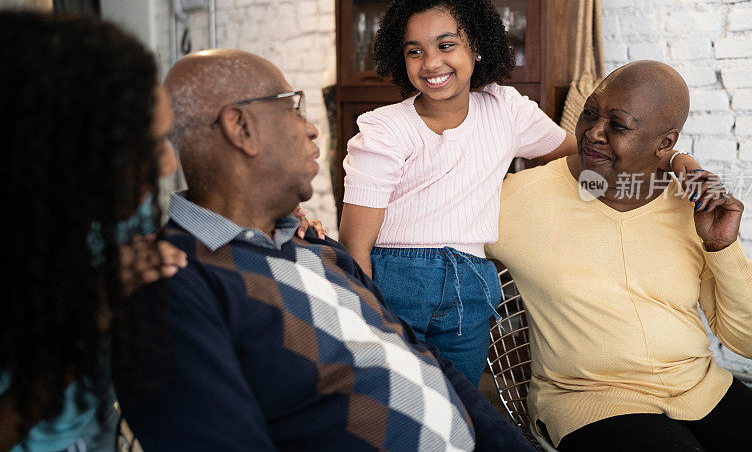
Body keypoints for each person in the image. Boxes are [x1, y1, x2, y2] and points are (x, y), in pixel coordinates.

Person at [111, 48, 532, 451]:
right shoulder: (172, 282)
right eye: (292, 107)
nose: (312, 127)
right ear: (241, 128)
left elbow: (423, 359)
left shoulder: (313, 243)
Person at [338, 0, 708, 387]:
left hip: (473, 285)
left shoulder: (505, 109)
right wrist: (367, 316)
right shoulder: (384, 130)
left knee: (462, 406)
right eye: (414, 51)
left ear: (475, 47)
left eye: (446, 45)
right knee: (395, 400)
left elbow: (585, 153)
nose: (431, 63)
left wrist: (674, 159)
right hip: (397, 280)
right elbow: (355, 245)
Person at [485, 60, 752, 451]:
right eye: (590, 113)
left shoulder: (693, 210)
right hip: (588, 400)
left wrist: (721, 247)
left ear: (664, 144)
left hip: (698, 386)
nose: (593, 133)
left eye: (617, 126)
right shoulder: (518, 199)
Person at [0, 11, 187, 452]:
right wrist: (97, 310)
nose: (167, 165)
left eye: (166, 140)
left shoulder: (124, 212)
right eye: (144, 146)